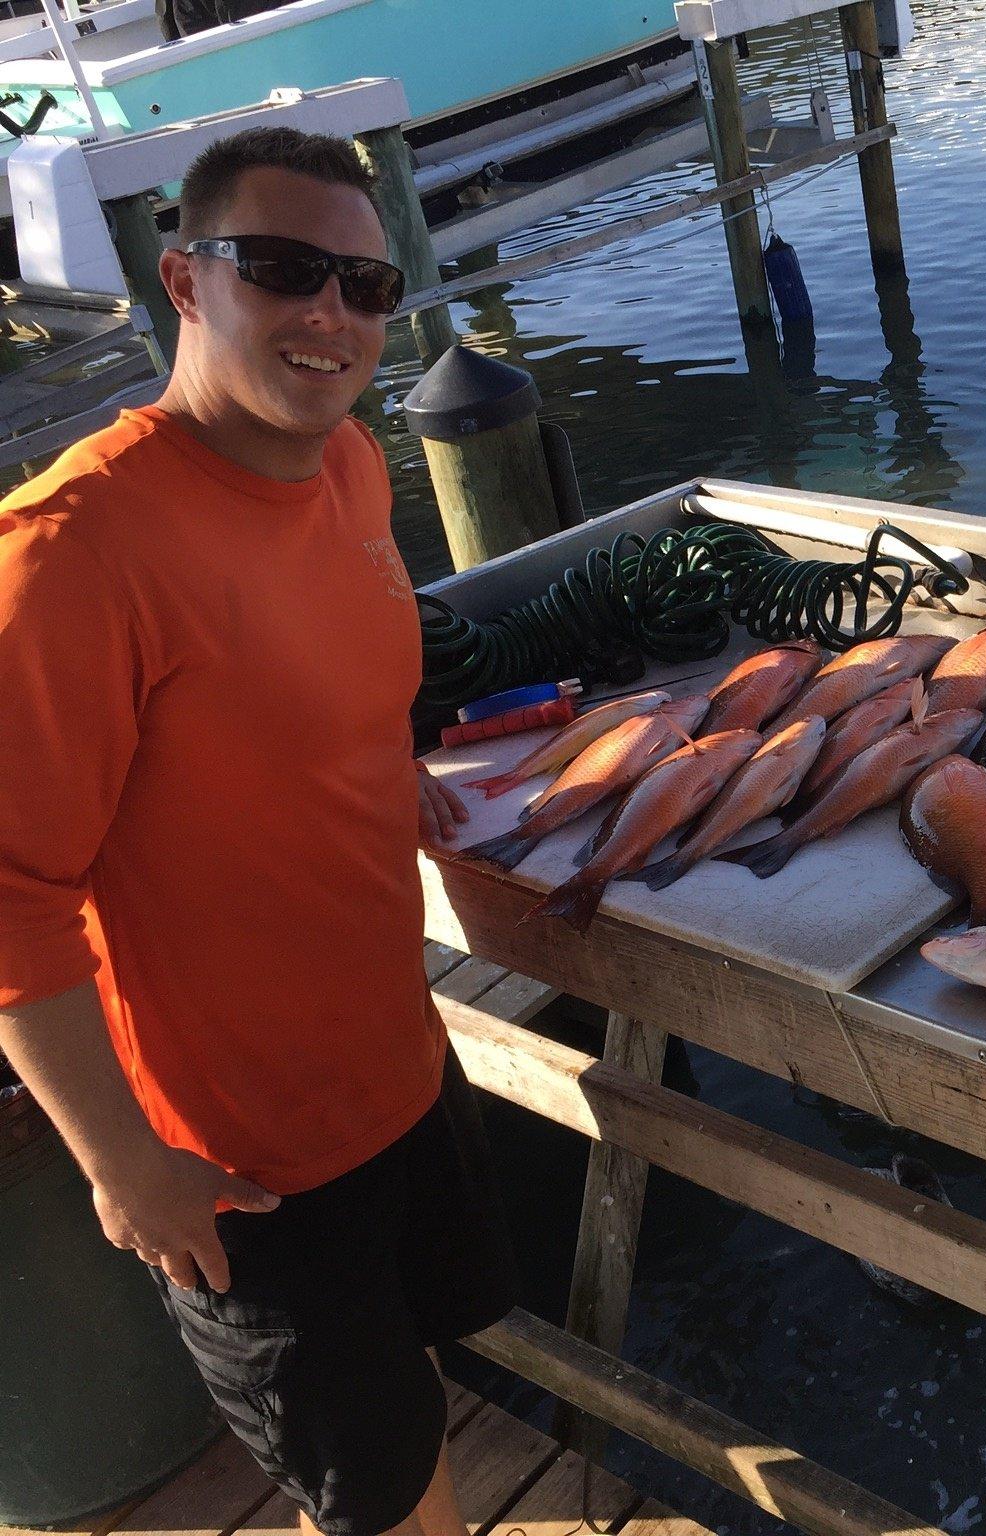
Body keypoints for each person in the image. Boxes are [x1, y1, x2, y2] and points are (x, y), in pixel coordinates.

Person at [0, 126, 514, 1536]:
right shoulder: (71, 553)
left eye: (365, 284)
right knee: (365, 1494)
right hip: (247, 1168)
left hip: (399, 1065)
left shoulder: (349, 464)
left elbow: (336, 696)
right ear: (184, 277)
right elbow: (12, 900)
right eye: (284, 270)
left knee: (406, 1429)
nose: (331, 316)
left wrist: (379, 781)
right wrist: (120, 1166)